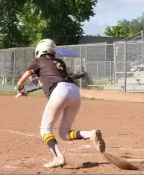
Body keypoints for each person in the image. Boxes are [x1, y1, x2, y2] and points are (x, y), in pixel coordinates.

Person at [16, 39, 105, 168]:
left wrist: (21, 89)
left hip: (59, 91)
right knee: (64, 133)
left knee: (45, 130)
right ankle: (90, 134)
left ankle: (58, 157)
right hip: (74, 91)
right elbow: (43, 79)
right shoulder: (59, 62)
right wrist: (39, 83)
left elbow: (22, 81)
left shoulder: (38, 61)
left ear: (39, 50)